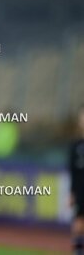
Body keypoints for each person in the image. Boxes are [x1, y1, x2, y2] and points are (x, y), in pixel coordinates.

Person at [69, 104, 84, 255]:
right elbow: (72, 171)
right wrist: (72, 193)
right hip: (80, 191)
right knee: (78, 224)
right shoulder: (76, 146)